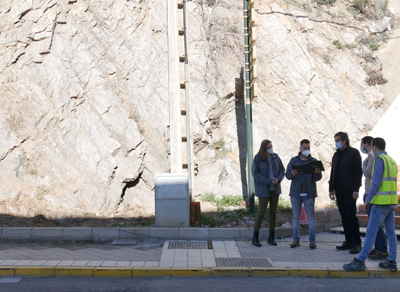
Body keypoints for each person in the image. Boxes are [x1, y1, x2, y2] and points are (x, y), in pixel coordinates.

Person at [344, 137, 398, 271]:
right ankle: (392, 261)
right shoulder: (391, 160)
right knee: (391, 232)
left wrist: (368, 200)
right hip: (391, 202)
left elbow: (376, 182)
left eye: (372, 147)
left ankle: (360, 260)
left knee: (371, 231)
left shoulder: (380, 160)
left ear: (374, 147)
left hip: (380, 203)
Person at [329, 131, 363, 254]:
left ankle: (357, 242)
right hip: (339, 189)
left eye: (338, 140)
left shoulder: (354, 153)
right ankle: (348, 240)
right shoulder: (336, 155)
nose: (336, 143)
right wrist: (331, 188)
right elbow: (333, 172)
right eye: (335, 140)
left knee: (351, 216)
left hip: (350, 190)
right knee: (343, 216)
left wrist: (356, 189)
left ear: (344, 141)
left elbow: (358, 173)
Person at [285, 139, 322, 249]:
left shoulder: (314, 161)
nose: (306, 150)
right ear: (300, 148)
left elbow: (318, 178)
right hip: (296, 193)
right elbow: (287, 175)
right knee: (296, 217)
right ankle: (296, 240)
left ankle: (312, 240)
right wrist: (292, 173)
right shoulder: (293, 161)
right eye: (304, 148)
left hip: (309, 193)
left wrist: (317, 173)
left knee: (311, 217)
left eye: (308, 148)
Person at [251, 139, 285, 247]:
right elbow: (255, 173)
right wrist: (267, 181)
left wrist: (278, 179)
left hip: (275, 190)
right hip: (263, 190)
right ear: (264, 147)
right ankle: (255, 238)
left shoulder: (275, 157)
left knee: (273, 213)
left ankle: (271, 237)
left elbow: (282, 171)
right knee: (261, 213)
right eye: (269, 147)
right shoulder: (258, 158)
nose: (271, 148)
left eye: (272, 146)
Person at [360, 136, 388, 260]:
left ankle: (382, 249)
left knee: (374, 224)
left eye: (363, 145)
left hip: (372, 194)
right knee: (374, 223)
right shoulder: (371, 158)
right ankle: (378, 247)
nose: (362, 147)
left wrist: (365, 162)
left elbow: (367, 172)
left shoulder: (375, 158)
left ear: (369, 145)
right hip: (369, 192)